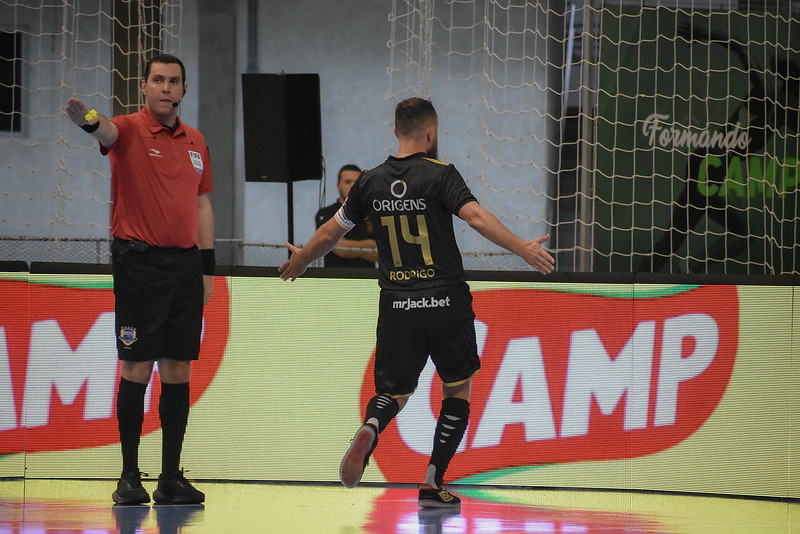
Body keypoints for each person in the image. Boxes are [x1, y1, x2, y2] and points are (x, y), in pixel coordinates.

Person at [279, 97, 555, 508]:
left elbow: (332, 233)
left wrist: (300, 259)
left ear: (395, 131)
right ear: (432, 132)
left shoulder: (368, 182)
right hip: (446, 299)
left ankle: (373, 424)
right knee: (457, 388)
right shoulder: (440, 175)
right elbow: (476, 218)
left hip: (397, 304)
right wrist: (523, 250)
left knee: (395, 391)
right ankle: (432, 481)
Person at [65, 54, 213, 506]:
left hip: (186, 266)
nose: (167, 88)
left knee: (178, 368)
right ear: (144, 86)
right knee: (136, 366)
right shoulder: (128, 128)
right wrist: (88, 120)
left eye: (175, 82)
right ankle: (130, 476)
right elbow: (105, 131)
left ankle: (170, 477)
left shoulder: (196, 141)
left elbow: (203, 204)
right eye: (159, 80)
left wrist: (207, 267)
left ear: (184, 90)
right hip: (138, 263)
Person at [315, 164, 378, 268]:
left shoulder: (372, 213)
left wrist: (346, 246)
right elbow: (337, 247)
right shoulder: (326, 213)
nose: (352, 186)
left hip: (367, 278)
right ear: (338, 186)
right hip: (334, 277)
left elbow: (380, 253)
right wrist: (368, 244)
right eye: (347, 182)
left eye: (356, 182)